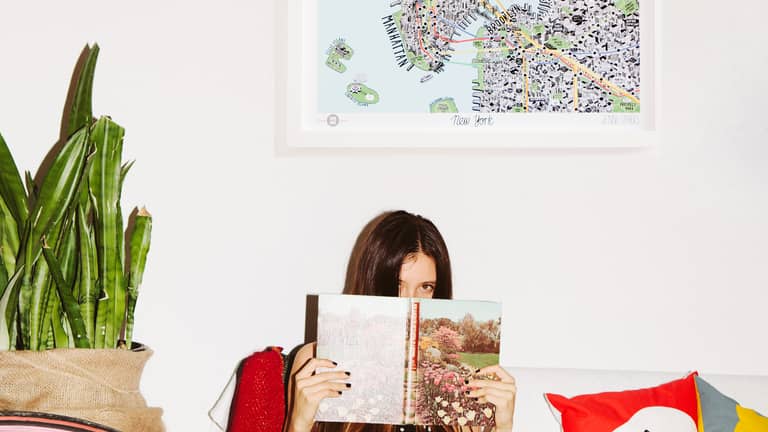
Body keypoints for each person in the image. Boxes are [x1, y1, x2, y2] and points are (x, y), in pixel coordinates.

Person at [284, 211, 517, 432]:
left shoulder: (463, 375)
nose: (409, 300)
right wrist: (298, 423)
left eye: (426, 287)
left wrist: (504, 426)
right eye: (397, 285)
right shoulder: (315, 360)